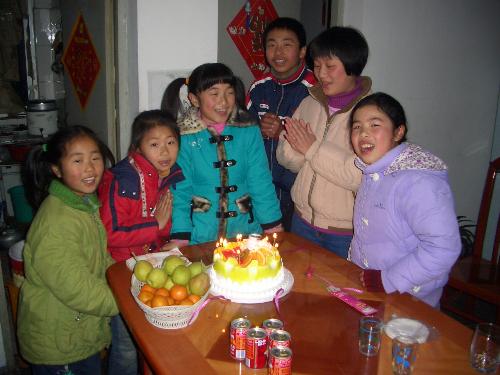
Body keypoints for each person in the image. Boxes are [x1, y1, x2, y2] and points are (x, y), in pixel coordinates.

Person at [17, 126, 118, 374]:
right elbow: (77, 289)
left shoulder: (83, 205)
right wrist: (126, 301)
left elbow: (99, 256)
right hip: (57, 340)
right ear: (56, 169)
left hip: (78, 331)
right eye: (77, 160)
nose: (90, 168)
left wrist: (123, 276)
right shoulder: (56, 222)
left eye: (95, 158)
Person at [348, 92, 461, 307]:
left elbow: (443, 248)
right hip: (372, 290)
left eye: (375, 125)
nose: (363, 134)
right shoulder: (374, 172)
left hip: (408, 298)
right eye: (357, 127)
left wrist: (388, 279)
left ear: (398, 132)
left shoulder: (419, 181)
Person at [98, 110, 184, 374]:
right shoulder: (122, 179)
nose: (165, 151)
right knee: (125, 343)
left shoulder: (167, 175)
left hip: (153, 267)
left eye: (170, 142)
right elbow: (110, 233)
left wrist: (168, 238)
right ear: (138, 146)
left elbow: (163, 224)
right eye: (154, 144)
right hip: (123, 269)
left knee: (154, 340)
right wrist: (154, 226)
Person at [276, 26, 371, 258]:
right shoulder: (310, 103)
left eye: (330, 66)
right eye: (317, 66)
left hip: (343, 231)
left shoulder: (371, 113)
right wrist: (299, 151)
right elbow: (286, 157)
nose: (321, 74)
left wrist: (311, 149)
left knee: (337, 293)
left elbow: (360, 176)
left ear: (352, 65)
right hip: (301, 219)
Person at [162, 62, 282, 245]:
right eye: (214, 93)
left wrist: (273, 225)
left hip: (245, 232)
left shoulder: (248, 129)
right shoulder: (183, 137)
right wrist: (180, 236)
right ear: (194, 99)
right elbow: (180, 192)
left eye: (229, 92)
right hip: (200, 235)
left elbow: (260, 181)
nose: (224, 101)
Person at [246, 17, 315, 231]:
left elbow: (320, 141)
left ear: (302, 51)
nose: (278, 52)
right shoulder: (258, 88)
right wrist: (258, 129)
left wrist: (281, 133)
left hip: (299, 193)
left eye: (287, 45)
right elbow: (243, 137)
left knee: (295, 255)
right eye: (272, 45)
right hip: (262, 189)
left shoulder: (315, 89)